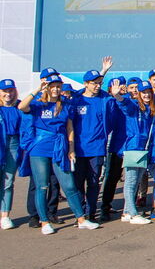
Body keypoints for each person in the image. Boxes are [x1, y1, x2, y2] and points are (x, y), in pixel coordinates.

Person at [18, 75, 100, 234]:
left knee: (69, 184)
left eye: (58, 86)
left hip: (59, 147)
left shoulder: (65, 105)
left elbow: (70, 128)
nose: (55, 89)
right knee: (42, 185)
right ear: (46, 87)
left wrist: (71, 149)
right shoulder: (37, 104)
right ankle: (44, 222)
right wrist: (38, 89)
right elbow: (22, 106)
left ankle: (81, 219)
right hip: (40, 148)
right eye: (52, 86)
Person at [111, 79, 155, 224]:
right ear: (138, 93)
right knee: (131, 182)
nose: (146, 95)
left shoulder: (153, 110)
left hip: (145, 149)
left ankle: (127, 212)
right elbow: (124, 104)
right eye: (143, 92)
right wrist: (117, 95)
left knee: (136, 181)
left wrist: (153, 153)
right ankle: (133, 214)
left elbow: (154, 133)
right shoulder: (134, 106)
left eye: (148, 92)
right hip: (134, 148)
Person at [69, 69, 112, 222]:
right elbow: (69, 125)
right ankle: (80, 214)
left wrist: (104, 72)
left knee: (93, 183)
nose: (97, 86)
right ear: (85, 84)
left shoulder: (104, 98)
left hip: (97, 148)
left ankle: (90, 214)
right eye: (94, 83)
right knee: (78, 183)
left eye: (100, 83)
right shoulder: (76, 100)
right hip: (79, 149)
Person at [1, 79, 23, 229]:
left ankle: (5, 216)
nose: (8, 94)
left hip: (14, 144)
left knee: (8, 182)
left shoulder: (19, 106)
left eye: (10, 90)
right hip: (0, 143)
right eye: (5, 91)